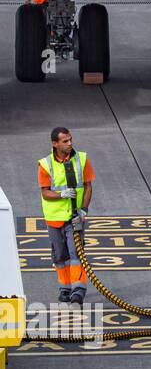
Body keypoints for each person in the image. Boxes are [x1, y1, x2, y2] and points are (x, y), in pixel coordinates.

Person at [37, 127, 94, 306]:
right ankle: (64, 288)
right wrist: (61, 195)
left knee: (76, 252)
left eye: (70, 140)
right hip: (54, 218)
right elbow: (45, 192)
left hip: (75, 217)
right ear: (55, 144)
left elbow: (88, 186)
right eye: (65, 141)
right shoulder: (45, 164)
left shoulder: (82, 159)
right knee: (59, 256)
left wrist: (84, 209)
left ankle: (78, 290)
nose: (70, 144)